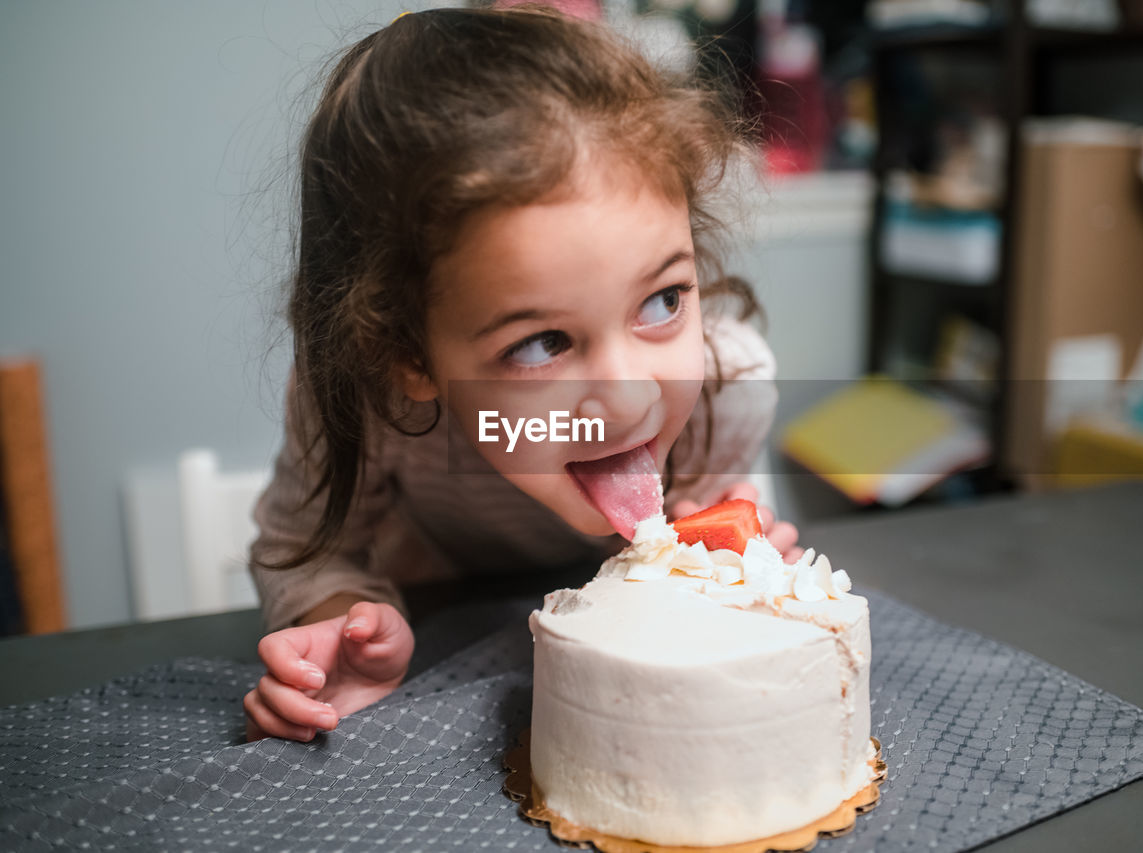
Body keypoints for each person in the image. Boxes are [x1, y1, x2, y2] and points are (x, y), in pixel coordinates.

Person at [243, 5, 799, 743]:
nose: (630, 390)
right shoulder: (359, 402)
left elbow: (699, 545)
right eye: (541, 344)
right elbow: (302, 548)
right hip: (446, 623)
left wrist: (723, 567)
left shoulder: (724, 390)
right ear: (409, 356)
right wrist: (341, 625)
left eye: (662, 300)